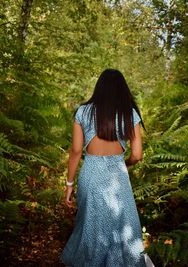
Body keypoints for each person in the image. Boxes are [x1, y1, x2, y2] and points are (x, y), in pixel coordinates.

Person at [61, 69, 146, 267]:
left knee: (90, 227)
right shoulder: (129, 114)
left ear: (99, 88)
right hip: (118, 177)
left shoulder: (82, 112)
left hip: (90, 174)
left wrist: (69, 184)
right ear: (122, 90)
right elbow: (137, 155)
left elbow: (75, 151)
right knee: (122, 227)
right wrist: (125, 164)